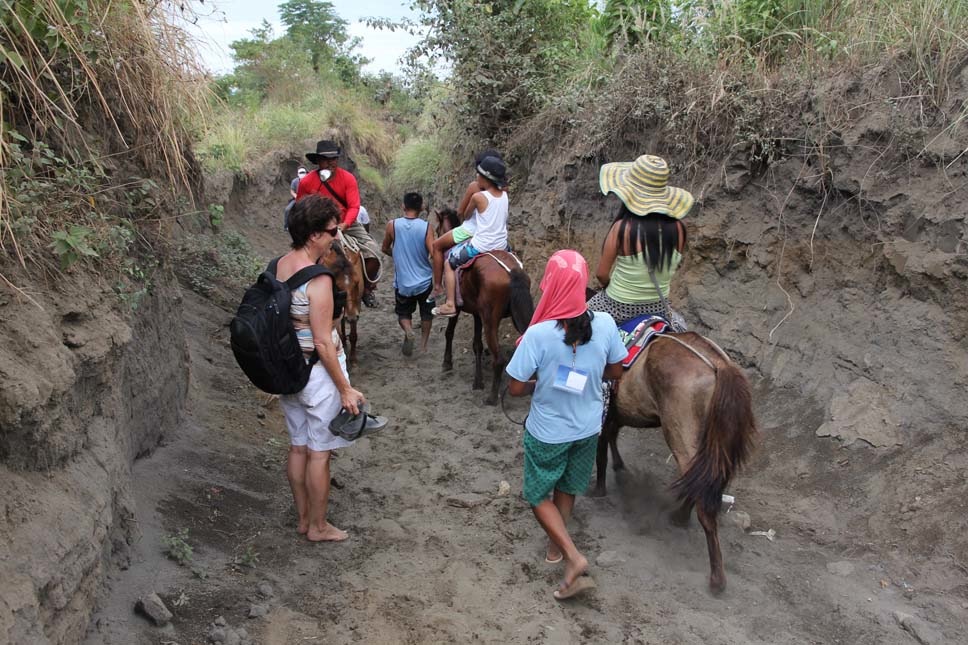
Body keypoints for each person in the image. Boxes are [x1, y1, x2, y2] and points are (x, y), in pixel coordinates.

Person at [506, 250, 627, 600]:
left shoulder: (540, 335)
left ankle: (572, 556)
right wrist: (586, 373)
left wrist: (543, 380)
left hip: (548, 431)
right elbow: (617, 371)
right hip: (589, 427)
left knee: (535, 493)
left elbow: (514, 388)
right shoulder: (604, 323)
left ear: (551, 285)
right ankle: (554, 548)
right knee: (570, 484)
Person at [274, 194, 366, 542]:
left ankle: (302, 519)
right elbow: (324, 342)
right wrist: (345, 387)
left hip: (287, 371)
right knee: (319, 452)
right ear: (314, 234)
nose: (335, 236)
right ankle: (318, 526)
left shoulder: (279, 265)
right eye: (331, 230)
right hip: (315, 374)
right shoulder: (320, 280)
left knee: (298, 446)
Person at [588, 154, 693, 327]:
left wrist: (609, 286)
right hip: (658, 307)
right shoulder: (679, 229)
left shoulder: (623, 228)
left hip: (617, 306)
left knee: (577, 325)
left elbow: (601, 274)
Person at [297, 140, 382, 307]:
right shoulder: (307, 182)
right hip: (318, 227)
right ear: (318, 161)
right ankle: (301, 292)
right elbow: (300, 207)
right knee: (300, 257)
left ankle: (366, 289)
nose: (331, 163)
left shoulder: (348, 178)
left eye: (334, 159)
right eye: (326, 159)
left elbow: (354, 206)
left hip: (346, 224)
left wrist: (345, 225)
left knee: (374, 252)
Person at [430, 155, 510, 317]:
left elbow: (465, 215)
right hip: (502, 244)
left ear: (487, 178)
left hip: (481, 245)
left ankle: (450, 303)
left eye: (479, 175)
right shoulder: (505, 195)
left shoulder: (477, 197)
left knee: (450, 262)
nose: (477, 177)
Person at [381, 192, 434, 355]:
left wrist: (397, 255)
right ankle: (423, 345)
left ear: (403, 206)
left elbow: (384, 248)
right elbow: (432, 252)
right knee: (427, 314)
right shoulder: (427, 227)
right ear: (422, 208)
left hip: (403, 281)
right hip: (425, 280)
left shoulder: (393, 225)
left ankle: (408, 331)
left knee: (403, 313)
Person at [284, 166, 308, 231]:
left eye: (303, 172)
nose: (302, 174)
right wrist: (296, 196)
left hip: (307, 199)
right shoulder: (294, 181)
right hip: (296, 198)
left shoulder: (309, 181)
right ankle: (286, 226)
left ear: (306, 173)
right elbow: (292, 191)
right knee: (287, 209)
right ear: (297, 174)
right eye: (300, 172)